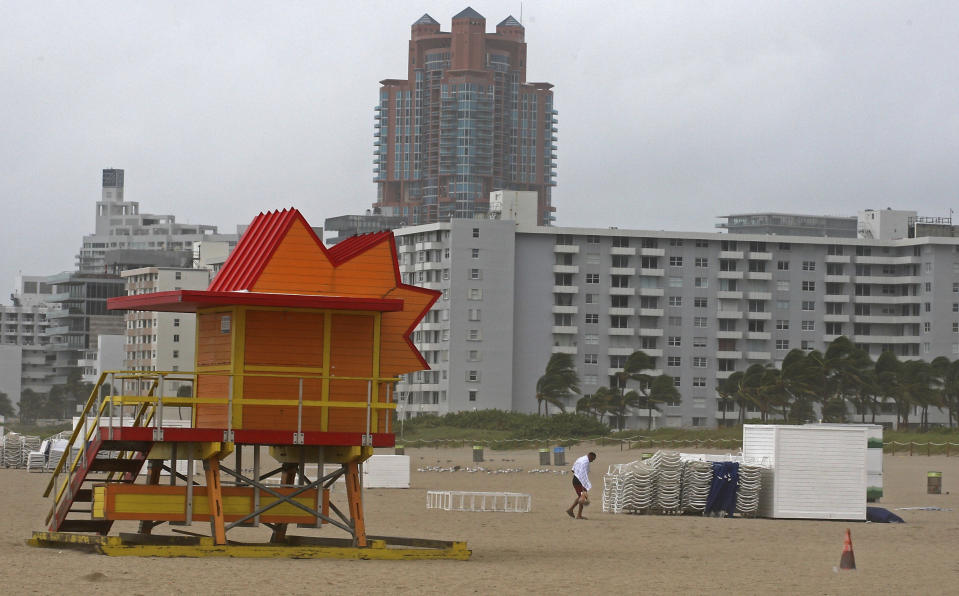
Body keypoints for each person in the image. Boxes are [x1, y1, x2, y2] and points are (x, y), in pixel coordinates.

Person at [566, 451, 596, 519]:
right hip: (580, 481)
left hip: (575, 479)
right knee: (583, 498)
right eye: (592, 459)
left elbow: (573, 470)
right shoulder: (585, 462)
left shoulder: (580, 459)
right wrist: (583, 486)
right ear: (590, 456)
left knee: (581, 497)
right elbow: (582, 475)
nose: (592, 461)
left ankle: (571, 510)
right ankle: (578, 515)